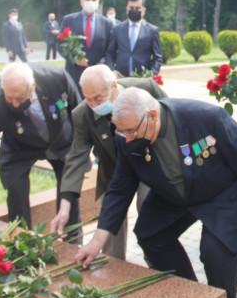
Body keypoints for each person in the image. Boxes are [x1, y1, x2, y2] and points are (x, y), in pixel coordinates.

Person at [75, 88, 237, 298]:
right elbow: (120, 186)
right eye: (121, 131)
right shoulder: (127, 134)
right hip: (172, 194)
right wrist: (98, 240)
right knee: (150, 235)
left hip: (220, 193)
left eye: (131, 131)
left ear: (152, 116)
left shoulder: (205, 117)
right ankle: (189, 293)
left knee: (215, 251)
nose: (127, 139)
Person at [49, 65, 167, 259]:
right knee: (110, 217)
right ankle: (112, 263)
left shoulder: (144, 89)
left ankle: (157, 260)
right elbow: (76, 157)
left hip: (149, 161)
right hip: (114, 168)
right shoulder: (82, 114)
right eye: (88, 99)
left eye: (98, 98)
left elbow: (170, 118)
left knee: (148, 208)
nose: (93, 104)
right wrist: (64, 207)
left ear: (113, 86)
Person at [0, 62, 81, 232]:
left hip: (60, 141)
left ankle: (71, 238)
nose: (14, 104)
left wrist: (81, 151)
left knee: (69, 192)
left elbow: (79, 111)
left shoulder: (56, 78)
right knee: (16, 195)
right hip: (19, 148)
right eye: (9, 98)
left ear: (32, 87)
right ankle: (21, 239)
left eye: (20, 98)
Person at [59, 0, 115, 86]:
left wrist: (101, 65)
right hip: (74, 74)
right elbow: (61, 45)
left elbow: (110, 50)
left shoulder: (107, 24)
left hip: (98, 75)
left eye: (94, 0)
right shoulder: (68, 20)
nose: (90, 2)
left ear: (98, 2)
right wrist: (75, 59)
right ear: (81, 1)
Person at [108, 0, 163, 77]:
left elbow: (157, 57)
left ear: (144, 10)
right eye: (131, 8)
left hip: (142, 79)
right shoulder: (117, 29)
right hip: (120, 78)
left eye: (137, 8)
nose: (134, 10)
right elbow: (109, 53)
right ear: (127, 9)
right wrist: (112, 71)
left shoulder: (152, 31)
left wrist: (151, 74)